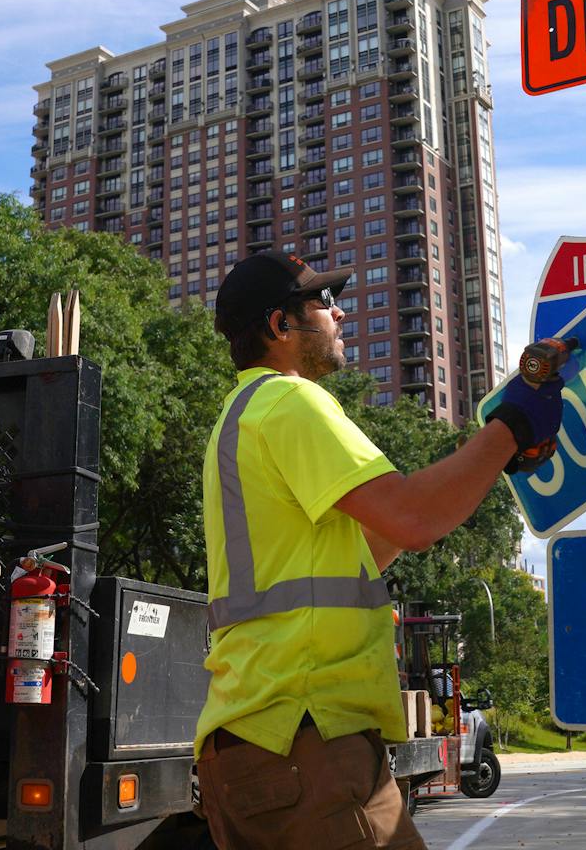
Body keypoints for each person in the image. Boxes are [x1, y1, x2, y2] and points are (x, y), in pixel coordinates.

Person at [194, 250, 564, 850]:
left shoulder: (241, 418)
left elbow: (375, 544)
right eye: (322, 302)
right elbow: (414, 517)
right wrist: (513, 427)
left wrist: (491, 458)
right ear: (279, 327)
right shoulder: (291, 402)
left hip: (250, 745)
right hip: (306, 738)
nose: (339, 313)